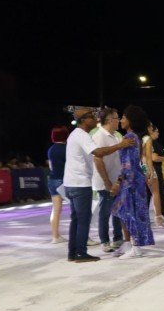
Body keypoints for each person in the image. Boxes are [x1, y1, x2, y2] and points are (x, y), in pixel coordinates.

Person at [63, 107, 134, 262]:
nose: (95, 120)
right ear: (83, 120)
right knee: (83, 219)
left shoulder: (77, 135)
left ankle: (72, 252)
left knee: (76, 219)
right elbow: (98, 153)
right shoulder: (82, 135)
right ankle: (81, 252)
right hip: (80, 183)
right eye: (91, 117)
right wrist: (120, 146)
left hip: (72, 183)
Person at [112, 106, 155, 258]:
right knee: (125, 211)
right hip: (133, 179)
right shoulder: (133, 136)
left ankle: (136, 246)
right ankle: (130, 243)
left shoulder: (130, 138)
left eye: (123, 117)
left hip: (131, 181)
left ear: (131, 120)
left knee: (131, 212)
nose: (121, 120)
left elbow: (128, 163)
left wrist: (121, 182)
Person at [92, 107, 124, 252]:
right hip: (105, 181)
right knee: (105, 212)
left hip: (116, 180)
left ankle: (118, 238)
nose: (119, 120)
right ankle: (104, 240)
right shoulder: (100, 136)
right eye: (117, 118)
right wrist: (107, 181)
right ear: (110, 120)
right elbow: (97, 160)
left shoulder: (115, 136)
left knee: (117, 210)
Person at [47, 125, 69, 243]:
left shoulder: (51, 149)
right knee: (76, 209)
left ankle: (55, 236)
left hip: (52, 179)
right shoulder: (67, 148)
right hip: (64, 180)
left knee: (56, 209)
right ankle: (84, 236)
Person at [141, 122, 164, 228]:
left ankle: (143, 219)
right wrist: (151, 171)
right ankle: (158, 218)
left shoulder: (138, 137)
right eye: (151, 126)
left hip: (139, 167)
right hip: (146, 167)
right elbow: (150, 157)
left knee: (143, 195)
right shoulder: (147, 138)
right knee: (156, 193)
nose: (152, 128)